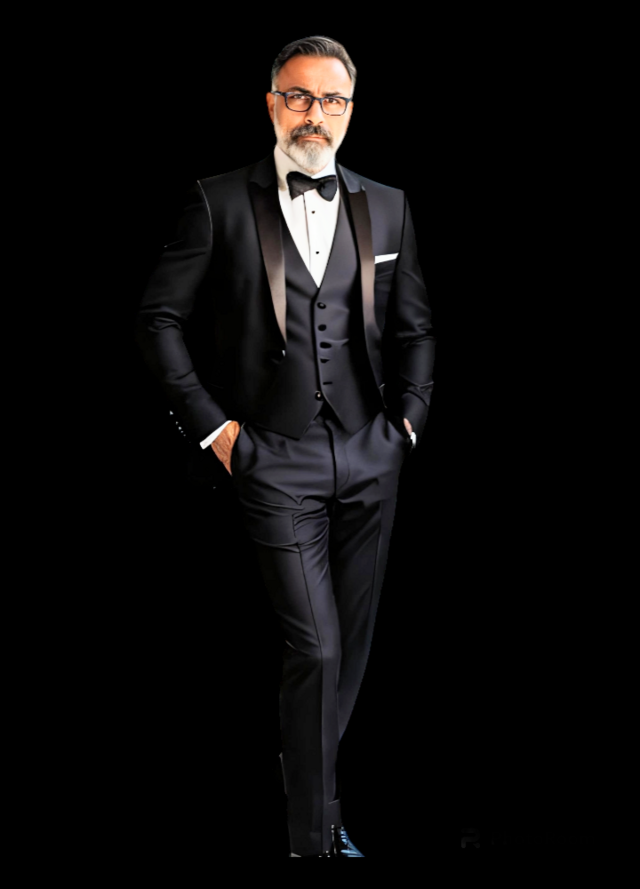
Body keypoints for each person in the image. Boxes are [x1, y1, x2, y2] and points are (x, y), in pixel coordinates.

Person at [136, 35, 436, 858]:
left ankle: (317, 804)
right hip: (271, 455)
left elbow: (414, 327)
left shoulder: (389, 205)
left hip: (371, 451)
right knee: (318, 645)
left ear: (350, 110)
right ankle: (315, 839)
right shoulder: (217, 201)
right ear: (272, 104)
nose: (315, 114)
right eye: (299, 96)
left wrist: (407, 423)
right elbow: (158, 320)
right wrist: (216, 429)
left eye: (332, 100)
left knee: (353, 650)